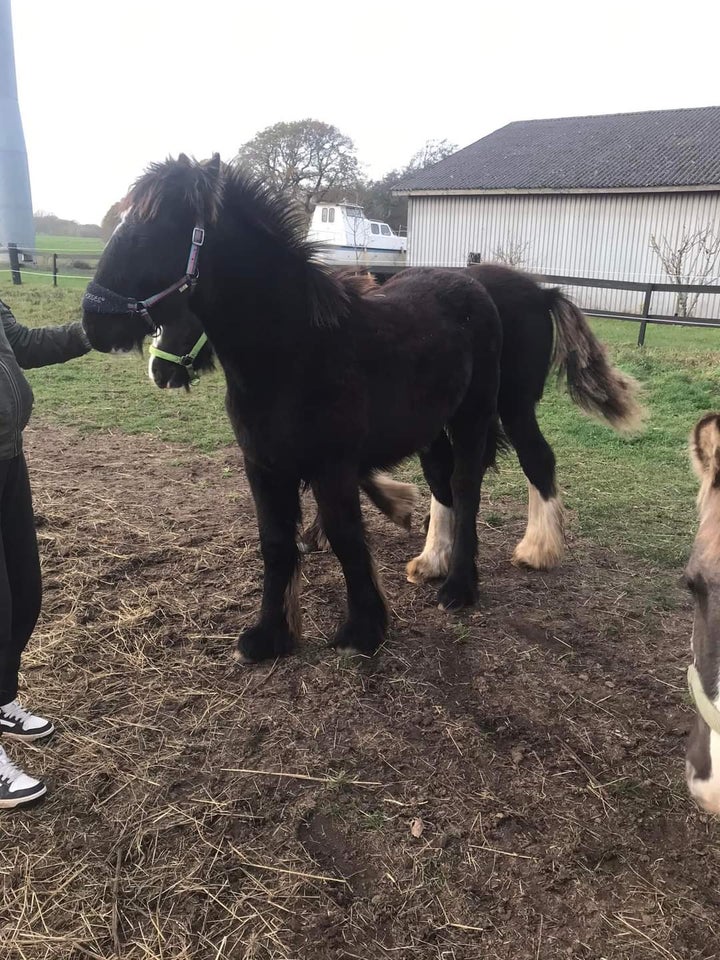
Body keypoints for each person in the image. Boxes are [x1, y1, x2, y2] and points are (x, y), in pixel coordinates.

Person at [0, 294, 91, 808]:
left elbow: (24, 346)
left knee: (25, 594)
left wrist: (91, 333)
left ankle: (1, 699)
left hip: (9, 459)